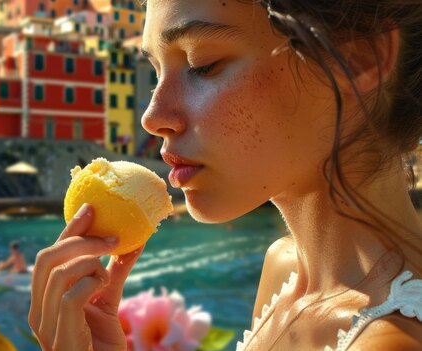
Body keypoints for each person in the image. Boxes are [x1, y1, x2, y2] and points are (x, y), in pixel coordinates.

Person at [29, 0, 422, 350]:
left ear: (355, 58)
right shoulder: (284, 267)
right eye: (155, 72)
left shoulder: (393, 340)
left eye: (203, 64)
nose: (152, 117)